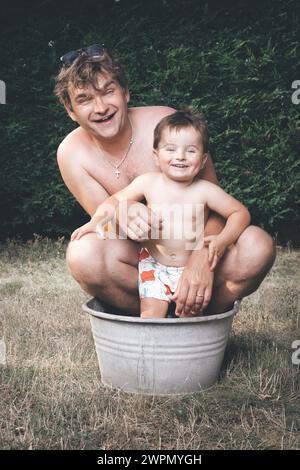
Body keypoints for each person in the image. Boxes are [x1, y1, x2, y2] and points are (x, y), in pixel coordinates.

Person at [54, 44, 276, 317]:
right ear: (70, 109)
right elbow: (106, 221)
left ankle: (203, 311)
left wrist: (201, 259)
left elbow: (217, 208)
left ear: (125, 92)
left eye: (108, 91)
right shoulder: (71, 154)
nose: (100, 107)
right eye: (85, 99)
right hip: (146, 263)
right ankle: (157, 318)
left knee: (258, 245)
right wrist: (124, 211)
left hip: (197, 246)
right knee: (82, 255)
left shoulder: (164, 125)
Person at [71, 109, 251, 318]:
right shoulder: (148, 182)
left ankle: (191, 346)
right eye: (171, 149)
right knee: (150, 319)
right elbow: (115, 201)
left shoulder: (206, 191)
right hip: (154, 266)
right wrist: (95, 222)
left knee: (189, 320)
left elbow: (240, 213)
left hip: (189, 268)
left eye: (191, 151)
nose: (180, 157)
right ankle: (148, 348)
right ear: (156, 156)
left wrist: (221, 241)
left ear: (203, 161)